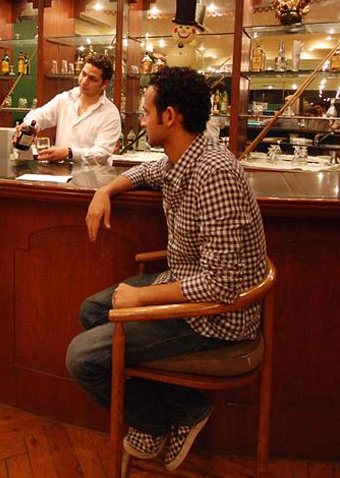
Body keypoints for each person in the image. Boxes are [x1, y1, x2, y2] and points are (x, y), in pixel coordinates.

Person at [66, 67, 267, 471]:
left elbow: (222, 285)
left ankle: (153, 421)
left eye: (146, 112)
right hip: (186, 286)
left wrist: (142, 297)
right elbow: (147, 172)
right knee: (91, 311)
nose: (142, 120)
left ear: (170, 117)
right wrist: (106, 189)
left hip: (215, 319)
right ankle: (185, 407)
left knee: (81, 358)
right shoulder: (184, 156)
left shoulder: (215, 173)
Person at [15, 53, 121, 165]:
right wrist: (29, 127)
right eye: (83, 74)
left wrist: (70, 153)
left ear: (104, 83)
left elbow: (102, 153)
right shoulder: (66, 99)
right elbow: (38, 116)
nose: (84, 81)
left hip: (92, 175)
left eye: (92, 79)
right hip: (61, 173)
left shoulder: (110, 114)